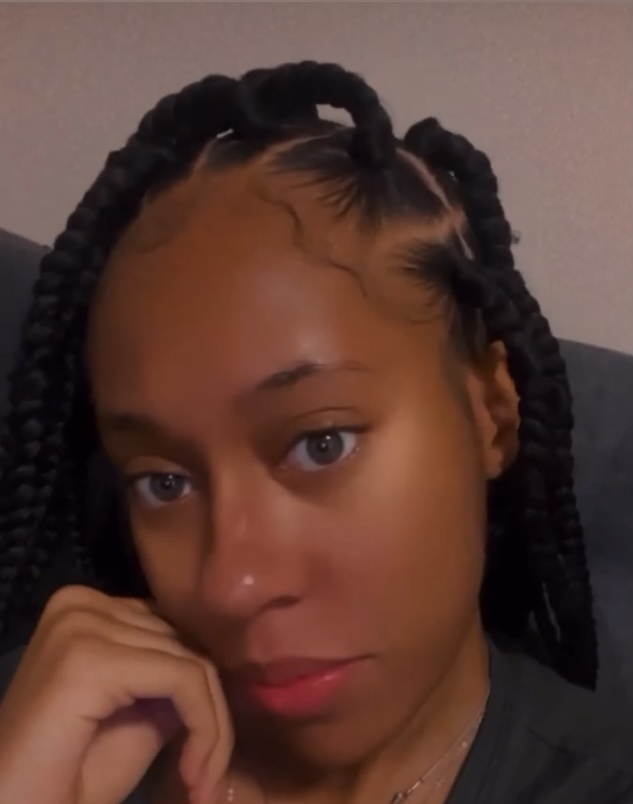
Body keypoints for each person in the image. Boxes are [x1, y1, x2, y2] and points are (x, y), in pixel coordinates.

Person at [0, 61, 631, 804]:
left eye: (321, 444)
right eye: (163, 482)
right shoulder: (35, 728)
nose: (231, 587)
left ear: (491, 412)